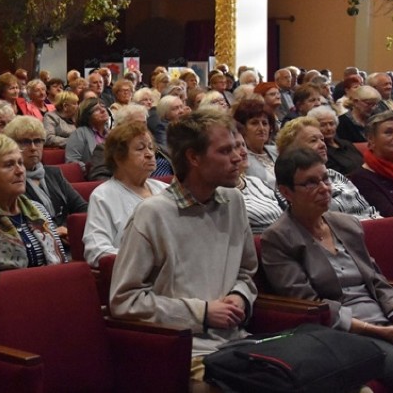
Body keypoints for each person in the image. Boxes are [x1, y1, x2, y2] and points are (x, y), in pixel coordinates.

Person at [262, 148, 393, 393]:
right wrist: (382, 332)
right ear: (285, 192)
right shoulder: (278, 239)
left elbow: (377, 281)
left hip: (385, 321)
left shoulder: (346, 224)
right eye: (310, 183)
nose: (324, 188)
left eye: (325, 178)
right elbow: (311, 307)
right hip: (343, 333)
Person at [109, 110, 257, 386]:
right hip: (188, 352)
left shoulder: (233, 201)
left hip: (239, 343)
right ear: (193, 158)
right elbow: (124, 302)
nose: (238, 157)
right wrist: (200, 313)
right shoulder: (152, 214)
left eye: (238, 147)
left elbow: (246, 272)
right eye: (225, 151)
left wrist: (240, 296)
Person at [0, 134, 67, 278]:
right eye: (9, 165)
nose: (20, 171)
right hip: (9, 297)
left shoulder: (38, 210)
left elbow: (63, 265)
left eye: (20, 163)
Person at [82, 121, 168, 267]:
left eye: (151, 148)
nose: (149, 154)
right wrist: (147, 260)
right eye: (140, 149)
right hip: (140, 278)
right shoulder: (103, 196)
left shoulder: (165, 190)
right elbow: (96, 252)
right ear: (118, 157)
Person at [276, 117, 379, 220]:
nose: (322, 145)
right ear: (291, 149)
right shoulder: (288, 186)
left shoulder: (334, 174)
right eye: (313, 140)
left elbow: (369, 210)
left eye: (322, 139)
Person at [4, 117, 87, 242]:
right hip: (39, 245)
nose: (33, 148)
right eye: (25, 142)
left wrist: (67, 229)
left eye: (37, 141)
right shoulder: (11, 180)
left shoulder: (53, 173)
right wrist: (53, 233)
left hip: (69, 240)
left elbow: (83, 208)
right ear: (11, 145)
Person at [232, 125, 285, 234]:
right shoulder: (223, 194)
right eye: (237, 146)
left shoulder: (256, 182)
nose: (244, 151)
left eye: (244, 145)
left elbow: (285, 211)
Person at [233, 98, 278, 188]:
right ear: (243, 128)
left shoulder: (276, 150)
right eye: (254, 123)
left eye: (265, 123)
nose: (261, 128)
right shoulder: (241, 158)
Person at [308, 105, 364, 176]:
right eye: (323, 125)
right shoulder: (320, 151)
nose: (329, 128)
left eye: (331, 124)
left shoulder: (346, 143)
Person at [65, 97, 109, 167]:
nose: (103, 110)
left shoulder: (110, 134)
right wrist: (89, 169)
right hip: (94, 175)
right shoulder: (79, 133)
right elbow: (71, 161)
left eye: (103, 107)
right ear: (87, 116)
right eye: (96, 109)